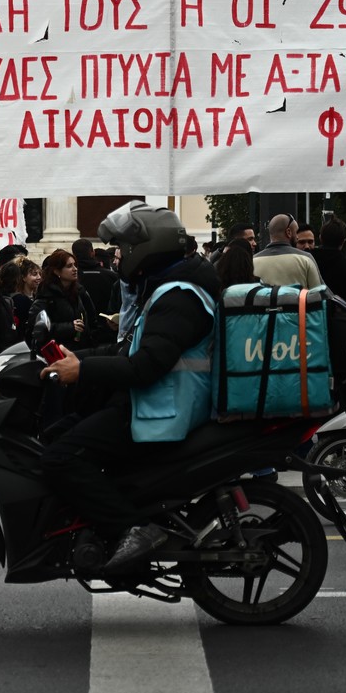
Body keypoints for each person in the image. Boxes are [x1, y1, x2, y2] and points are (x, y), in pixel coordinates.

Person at [38, 202, 221, 571]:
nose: (118, 256)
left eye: (122, 248)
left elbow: (147, 365)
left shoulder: (179, 297)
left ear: (146, 249)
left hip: (162, 409)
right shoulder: (166, 290)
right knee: (53, 435)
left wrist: (84, 369)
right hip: (150, 402)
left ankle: (132, 528)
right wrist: (71, 358)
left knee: (61, 456)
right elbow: (128, 349)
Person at [28, 249, 106, 355]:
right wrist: (69, 327)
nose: (75, 269)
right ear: (57, 271)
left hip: (81, 353)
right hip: (58, 354)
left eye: (75, 265)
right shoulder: (46, 296)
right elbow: (37, 328)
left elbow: (92, 321)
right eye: (69, 266)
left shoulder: (79, 293)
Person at [312, 217, 346, 314]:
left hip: (310, 320)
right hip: (339, 324)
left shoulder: (308, 262)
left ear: (320, 238)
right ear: (343, 241)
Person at [252, 213, 322, 289]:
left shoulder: (253, 261)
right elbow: (319, 293)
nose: (297, 237)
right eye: (296, 232)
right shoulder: (306, 259)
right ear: (288, 232)